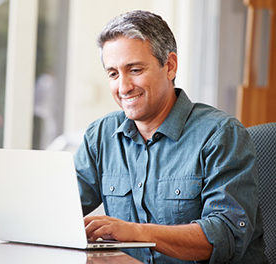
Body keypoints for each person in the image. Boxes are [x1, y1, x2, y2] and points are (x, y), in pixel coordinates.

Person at [74, 10, 267, 264]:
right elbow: (61, 208)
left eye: (134, 70)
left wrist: (134, 232)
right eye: (113, 74)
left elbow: (226, 234)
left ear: (170, 66)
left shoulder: (220, 134)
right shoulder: (100, 136)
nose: (123, 87)